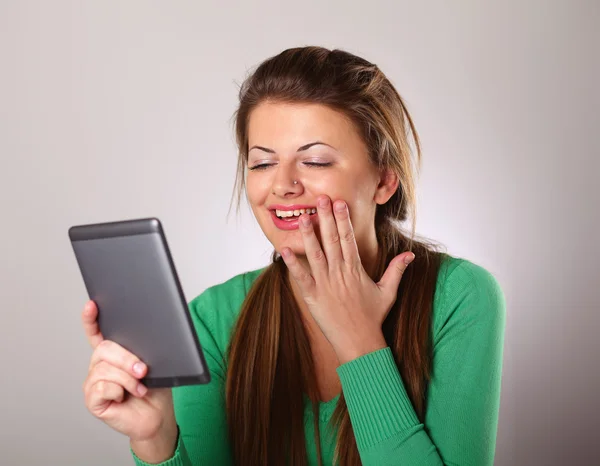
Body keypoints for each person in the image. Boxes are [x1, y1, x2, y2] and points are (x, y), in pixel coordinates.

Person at [81, 46, 506, 466]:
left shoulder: (459, 298)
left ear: (384, 180)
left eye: (315, 161)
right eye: (262, 163)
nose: (283, 185)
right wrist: (155, 439)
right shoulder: (212, 320)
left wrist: (359, 342)